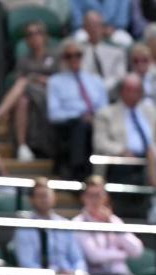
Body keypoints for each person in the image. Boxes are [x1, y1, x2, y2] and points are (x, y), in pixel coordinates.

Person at [0, 22, 56, 163]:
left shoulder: (55, 56)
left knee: (23, 83)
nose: (34, 37)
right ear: (26, 40)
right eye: (30, 34)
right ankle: (22, 146)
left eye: (38, 32)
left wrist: (37, 79)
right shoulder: (24, 60)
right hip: (30, 97)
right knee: (22, 100)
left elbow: (60, 82)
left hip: (50, 97)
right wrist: (34, 80)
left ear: (45, 36)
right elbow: (19, 82)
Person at [47, 40, 108, 180]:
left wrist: (94, 117)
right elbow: (54, 114)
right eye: (69, 56)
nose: (74, 59)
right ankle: (78, 172)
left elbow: (104, 108)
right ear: (63, 58)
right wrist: (80, 115)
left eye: (78, 55)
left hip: (97, 122)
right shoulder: (55, 82)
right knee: (80, 126)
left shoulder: (96, 80)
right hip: (70, 126)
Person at [14, 178, 86, 274]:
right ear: (31, 200)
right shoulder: (24, 228)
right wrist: (52, 274)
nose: (44, 199)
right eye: (40, 196)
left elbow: (78, 259)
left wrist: (78, 272)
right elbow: (27, 264)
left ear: (54, 198)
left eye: (46, 195)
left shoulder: (65, 224)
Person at [73, 176, 143, 275]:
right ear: (83, 198)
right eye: (91, 195)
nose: (95, 200)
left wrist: (111, 224)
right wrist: (122, 254)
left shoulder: (114, 220)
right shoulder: (78, 222)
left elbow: (137, 251)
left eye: (99, 195)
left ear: (106, 197)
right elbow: (94, 257)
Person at [78, 10, 126, 90]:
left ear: (103, 27)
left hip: (110, 93)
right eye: (90, 25)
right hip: (85, 93)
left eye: (97, 25)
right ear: (84, 28)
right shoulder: (77, 51)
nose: (93, 29)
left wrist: (102, 87)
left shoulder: (116, 50)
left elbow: (120, 77)